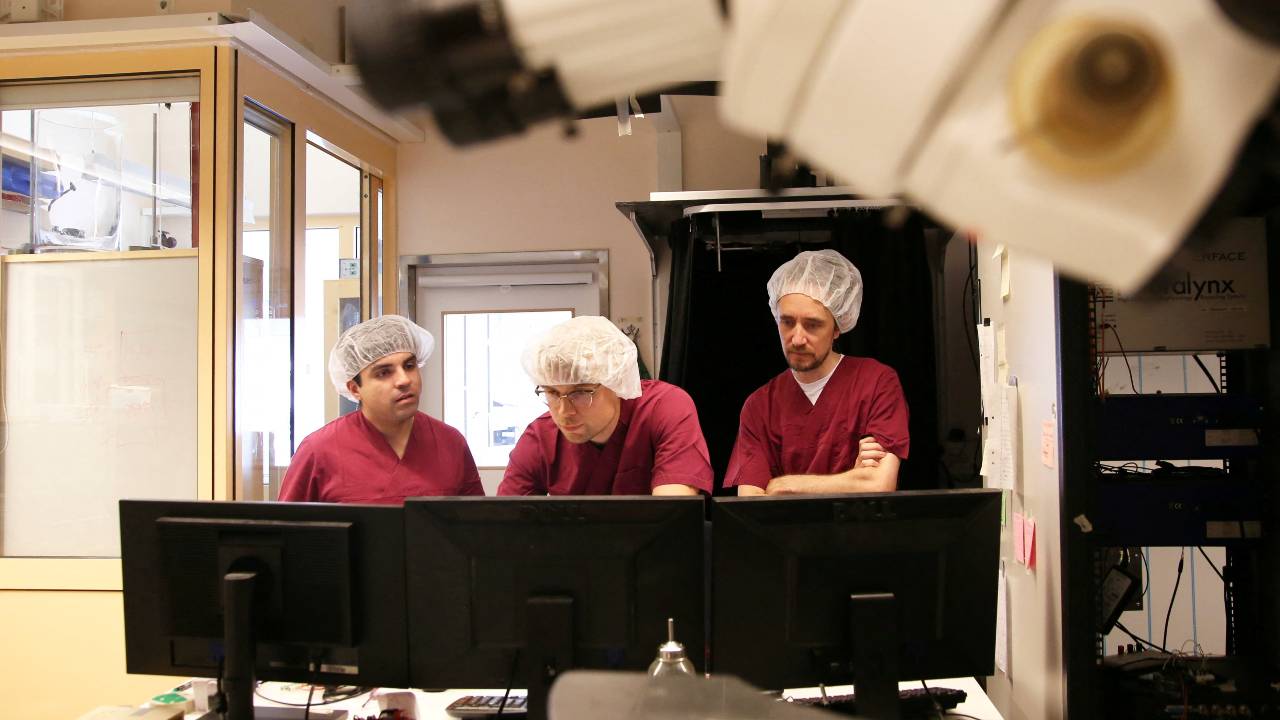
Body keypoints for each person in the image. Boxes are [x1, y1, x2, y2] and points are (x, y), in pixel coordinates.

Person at [724, 249, 909, 495]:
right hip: (785, 535)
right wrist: (851, 479)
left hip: (860, 534)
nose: (797, 338)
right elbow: (751, 503)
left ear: (837, 328)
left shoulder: (876, 382)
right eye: (787, 322)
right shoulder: (759, 406)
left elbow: (878, 484)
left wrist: (783, 485)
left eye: (812, 325)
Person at [498, 316, 714, 496]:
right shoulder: (540, 438)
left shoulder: (663, 408)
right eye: (552, 392)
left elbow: (673, 513)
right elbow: (505, 524)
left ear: (616, 382)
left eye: (580, 393)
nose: (564, 412)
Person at [279, 314, 484, 503]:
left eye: (409, 366)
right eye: (384, 373)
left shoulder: (450, 443)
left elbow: (476, 528)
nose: (404, 380)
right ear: (354, 388)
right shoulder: (319, 451)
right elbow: (287, 532)